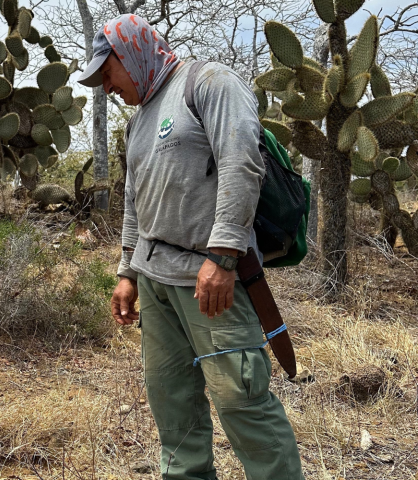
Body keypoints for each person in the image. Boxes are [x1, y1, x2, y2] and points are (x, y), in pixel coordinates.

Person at [77, 14, 305, 480]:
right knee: (172, 402)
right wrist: (127, 271)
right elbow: (133, 200)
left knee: (241, 401)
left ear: (132, 53)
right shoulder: (136, 122)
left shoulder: (209, 83)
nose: (106, 86)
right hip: (157, 282)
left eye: (107, 73)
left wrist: (222, 256)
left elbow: (242, 164)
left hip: (212, 280)